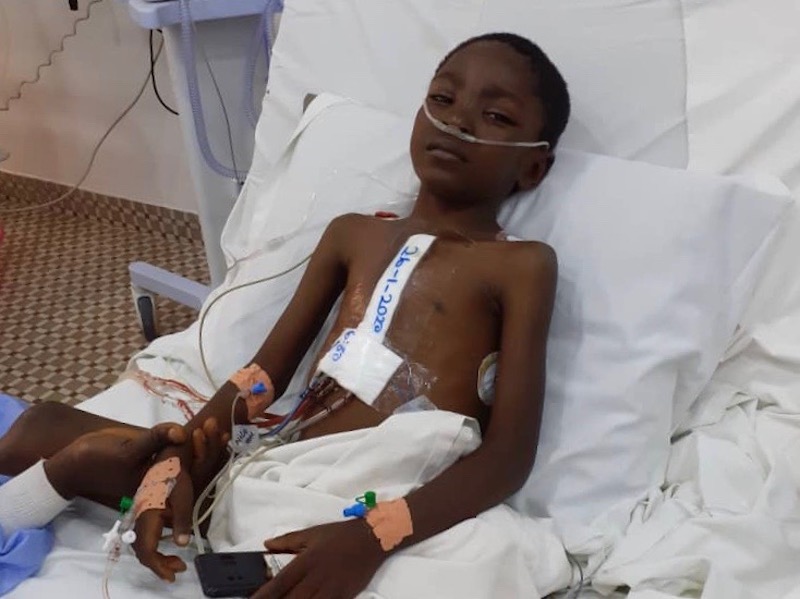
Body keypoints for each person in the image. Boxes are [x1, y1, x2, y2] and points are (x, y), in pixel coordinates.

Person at [0, 32, 571, 598]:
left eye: (496, 116)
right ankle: (106, 478)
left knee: (481, 561)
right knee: (40, 428)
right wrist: (181, 456)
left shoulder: (520, 266)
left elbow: (508, 457)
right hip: (275, 467)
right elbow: (262, 377)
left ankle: (265, 539)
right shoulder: (354, 234)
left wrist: (374, 536)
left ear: (534, 168)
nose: (458, 122)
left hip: (387, 494)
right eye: (443, 99)